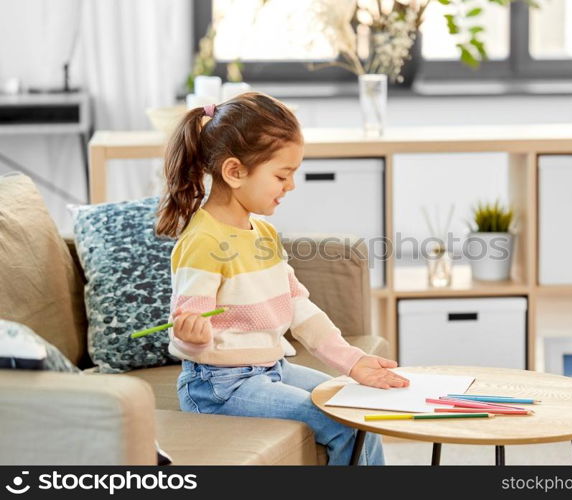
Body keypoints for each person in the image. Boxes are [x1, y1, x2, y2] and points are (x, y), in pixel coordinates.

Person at [155, 91, 409, 465]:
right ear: (234, 172)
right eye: (281, 175)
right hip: (219, 386)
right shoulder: (203, 241)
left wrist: (352, 363)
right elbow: (192, 330)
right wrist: (191, 336)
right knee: (343, 423)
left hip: (273, 370)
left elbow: (298, 308)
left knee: (357, 411)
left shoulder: (263, 233)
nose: (290, 186)